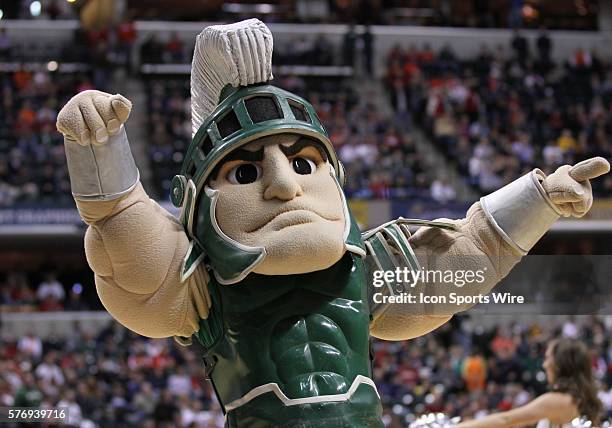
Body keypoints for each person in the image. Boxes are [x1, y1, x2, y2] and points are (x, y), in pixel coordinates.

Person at [56, 19, 609, 427]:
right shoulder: (200, 284)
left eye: (302, 163)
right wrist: (98, 149)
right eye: (246, 172)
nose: (284, 184)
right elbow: (126, 233)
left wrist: (540, 198)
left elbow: (476, 249)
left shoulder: (371, 268)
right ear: (201, 203)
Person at [456, 339, 603, 427]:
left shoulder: (558, 400)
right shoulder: (578, 398)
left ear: (560, 364)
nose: (544, 365)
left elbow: (505, 419)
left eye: (547, 358)